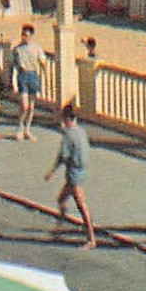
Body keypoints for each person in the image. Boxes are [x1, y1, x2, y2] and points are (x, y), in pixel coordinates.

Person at [45, 103, 96, 250]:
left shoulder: (69, 134)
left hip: (74, 174)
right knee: (61, 199)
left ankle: (91, 239)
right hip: (80, 170)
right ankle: (59, 228)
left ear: (66, 118)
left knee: (81, 206)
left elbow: (62, 156)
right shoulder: (81, 131)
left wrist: (51, 172)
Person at [11, 25, 47, 140]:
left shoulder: (37, 48)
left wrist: (43, 67)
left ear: (31, 36)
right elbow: (15, 67)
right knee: (24, 105)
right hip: (23, 75)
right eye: (23, 35)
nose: (24, 37)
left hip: (33, 75)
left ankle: (27, 129)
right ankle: (20, 128)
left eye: (26, 35)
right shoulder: (17, 49)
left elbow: (43, 62)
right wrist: (14, 83)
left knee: (31, 106)